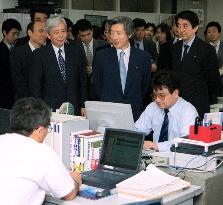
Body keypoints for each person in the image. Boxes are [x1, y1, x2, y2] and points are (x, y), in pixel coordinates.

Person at [0, 97, 81, 204]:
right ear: (39, 130)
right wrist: (75, 179)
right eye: (48, 128)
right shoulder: (42, 153)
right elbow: (69, 194)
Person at [93, 16, 151, 121]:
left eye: (119, 33)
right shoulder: (101, 56)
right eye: (112, 33)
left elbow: (145, 86)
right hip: (109, 112)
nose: (114, 37)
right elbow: (98, 84)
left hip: (134, 112)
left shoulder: (143, 57)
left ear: (129, 34)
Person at [29, 15, 87, 116]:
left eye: (63, 31)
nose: (61, 35)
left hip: (75, 107)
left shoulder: (76, 51)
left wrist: (84, 105)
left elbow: (83, 81)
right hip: (50, 108)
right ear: (48, 35)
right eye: (56, 32)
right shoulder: (39, 55)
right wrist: (39, 109)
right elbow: (36, 86)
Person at [172, 10, 221, 117]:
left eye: (185, 26)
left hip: (197, 103)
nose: (181, 30)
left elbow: (213, 80)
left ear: (195, 27)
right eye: (178, 26)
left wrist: (202, 94)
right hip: (176, 102)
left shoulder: (206, 49)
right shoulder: (175, 48)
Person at [135, 71, 198, 152]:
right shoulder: (152, 107)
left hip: (178, 157)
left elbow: (184, 142)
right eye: (155, 95)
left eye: (162, 95)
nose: (157, 100)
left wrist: (157, 146)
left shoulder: (188, 111)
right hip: (156, 157)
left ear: (175, 93)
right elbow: (138, 130)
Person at [10, 21, 47, 100]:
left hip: (46, 102)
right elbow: (18, 81)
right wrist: (32, 100)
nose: (44, 35)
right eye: (41, 31)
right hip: (25, 101)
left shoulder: (48, 52)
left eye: (46, 31)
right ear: (30, 32)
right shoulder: (17, 53)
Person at [74, 19, 108, 100]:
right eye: (83, 35)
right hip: (81, 87)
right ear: (78, 35)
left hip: (100, 86)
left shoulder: (103, 45)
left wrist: (93, 68)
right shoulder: (73, 47)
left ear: (92, 31)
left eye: (88, 34)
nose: (86, 38)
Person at [0, 18, 22, 109]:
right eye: (14, 33)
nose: (16, 37)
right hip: (4, 94)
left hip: (16, 94)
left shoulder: (18, 48)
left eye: (18, 34)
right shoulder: (1, 49)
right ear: (5, 32)